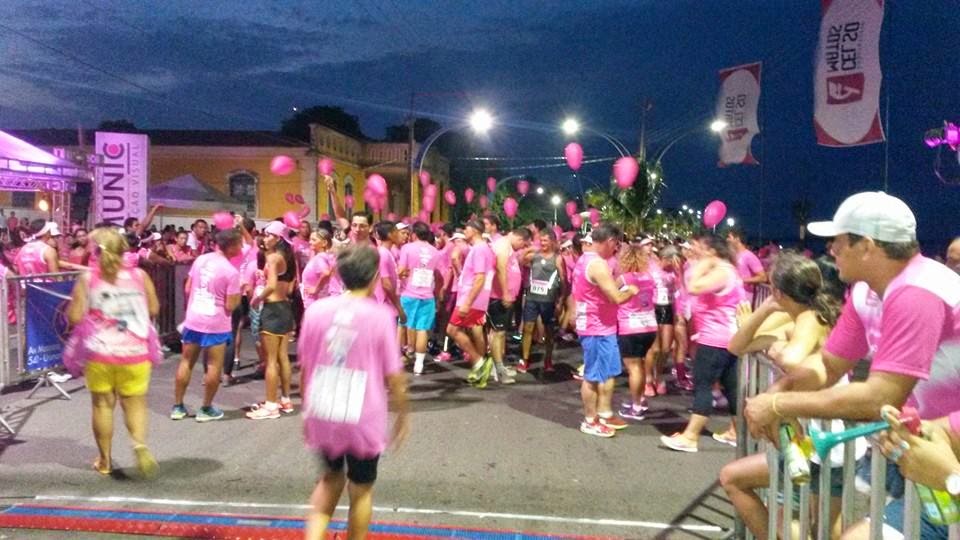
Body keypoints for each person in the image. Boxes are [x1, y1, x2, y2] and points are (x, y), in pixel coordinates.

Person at [744, 192, 960, 539]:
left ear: (868, 247)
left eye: (839, 242)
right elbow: (828, 364)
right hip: (929, 448)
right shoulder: (865, 291)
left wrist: (779, 405)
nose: (831, 250)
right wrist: (776, 393)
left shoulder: (918, 292)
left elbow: (880, 397)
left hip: (947, 456)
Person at [719, 253, 853, 539]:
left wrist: (778, 350)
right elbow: (736, 346)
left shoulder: (809, 318)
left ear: (779, 291)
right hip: (821, 437)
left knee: (791, 512)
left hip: (814, 439)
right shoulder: (806, 316)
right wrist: (765, 310)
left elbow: (792, 358)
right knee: (821, 520)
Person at [300, 245, 410, 540]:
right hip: (362, 410)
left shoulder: (316, 311)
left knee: (329, 479)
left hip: (323, 404)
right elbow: (394, 375)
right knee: (361, 489)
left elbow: (305, 367)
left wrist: (306, 408)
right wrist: (403, 414)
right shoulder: (380, 316)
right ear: (374, 276)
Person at [66, 227, 160, 477]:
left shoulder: (88, 279)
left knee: (102, 406)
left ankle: (105, 460)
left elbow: (74, 317)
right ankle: (139, 444)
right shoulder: (140, 275)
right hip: (135, 351)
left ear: (95, 252)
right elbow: (154, 308)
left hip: (101, 352)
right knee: (134, 403)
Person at [661, 234, 744, 452]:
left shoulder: (722, 271)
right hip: (726, 337)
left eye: (699, 246)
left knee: (703, 385)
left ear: (712, 251)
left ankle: (690, 437)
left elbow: (694, 287)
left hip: (715, 338)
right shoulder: (728, 270)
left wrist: (703, 264)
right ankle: (736, 432)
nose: (694, 249)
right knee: (731, 387)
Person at [572, 223, 639, 437]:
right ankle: (590, 420)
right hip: (595, 327)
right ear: (610, 241)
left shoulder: (585, 258)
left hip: (601, 325)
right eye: (617, 245)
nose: (617, 249)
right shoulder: (597, 265)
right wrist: (631, 291)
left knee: (607, 372)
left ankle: (603, 413)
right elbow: (616, 297)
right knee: (592, 376)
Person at [171, 229, 242, 422]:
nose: (241, 247)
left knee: (186, 362)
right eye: (239, 244)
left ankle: (178, 406)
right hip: (216, 323)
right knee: (213, 365)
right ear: (231, 246)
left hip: (194, 318)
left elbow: (188, 288)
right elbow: (230, 305)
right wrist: (239, 293)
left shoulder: (200, 260)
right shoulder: (231, 272)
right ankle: (206, 408)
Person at [247, 221, 298, 419]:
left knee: (270, 360)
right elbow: (287, 284)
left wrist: (257, 299)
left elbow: (271, 285)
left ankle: (270, 405)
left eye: (269, 235)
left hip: (272, 309)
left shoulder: (274, 257)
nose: (265, 238)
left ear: (278, 238)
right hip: (284, 307)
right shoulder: (288, 257)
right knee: (282, 357)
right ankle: (285, 399)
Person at [446, 220, 496, 388]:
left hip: (471, 299)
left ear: (474, 230)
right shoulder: (481, 248)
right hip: (474, 299)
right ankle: (479, 367)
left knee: (452, 330)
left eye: (466, 229)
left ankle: (480, 362)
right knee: (472, 331)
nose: (464, 232)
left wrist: (467, 302)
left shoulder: (480, 249)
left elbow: (480, 277)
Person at [614, 244, 658, 420]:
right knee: (639, 364)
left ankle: (637, 406)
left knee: (633, 368)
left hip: (630, 326)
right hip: (649, 326)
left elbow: (610, 295)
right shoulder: (649, 277)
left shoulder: (623, 279)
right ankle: (639, 399)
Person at [487, 227, 531, 384]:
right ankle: (498, 370)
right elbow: (500, 268)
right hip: (499, 296)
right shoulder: (503, 245)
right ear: (519, 239)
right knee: (497, 333)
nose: (522, 248)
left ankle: (498, 367)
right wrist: (505, 292)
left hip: (505, 296)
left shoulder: (507, 246)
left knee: (500, 333)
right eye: (523, 245)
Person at [397, 222, 441, 376]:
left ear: (414, 234)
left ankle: (397, 358)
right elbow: (436, 274)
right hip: (427, 296)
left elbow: (401, 270)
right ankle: (419, 364)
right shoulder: (435, 251)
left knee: (402, 325)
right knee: (422, 329)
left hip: (408, 294)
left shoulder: (407, 248)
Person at [520, 229, 565, 373]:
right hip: (532, 298)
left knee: (549, 331)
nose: (543, 243)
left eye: (545, 240)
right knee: (527, 329)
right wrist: (531, 248)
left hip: (548, 300)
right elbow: (521, 260)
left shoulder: (557, 258)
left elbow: (563, 280)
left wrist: (561, 300)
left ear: (552, 241)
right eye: (541, 240)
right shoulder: (535, 256)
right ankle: (525, 360)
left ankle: (548, 360)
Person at [728, 227, 767, 304]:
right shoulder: (735, 255)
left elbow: (763, 277)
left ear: (737, 239)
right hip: (734, 296)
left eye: (730, 237)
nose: (727, 240)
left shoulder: (749, 256)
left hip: (745, 297)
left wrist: (742, 280)